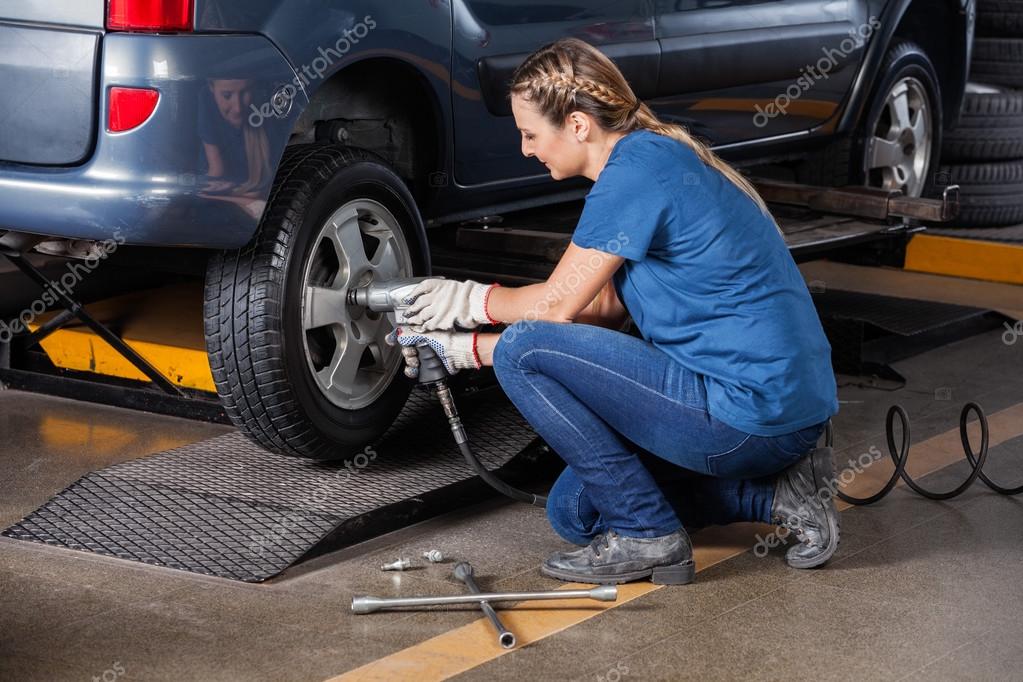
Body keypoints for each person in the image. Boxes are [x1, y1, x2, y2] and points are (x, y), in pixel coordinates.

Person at [388, 37, 840, 585]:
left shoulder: (637, 172)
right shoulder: (654, 157)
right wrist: (464, 343)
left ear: (578, 125)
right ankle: (774, 496)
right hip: (777, 415)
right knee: (577, 513)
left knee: (525, 350)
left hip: (744, 413)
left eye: (530, 135)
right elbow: (599, 309)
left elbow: (554, 310)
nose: (527, 149)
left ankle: (649, 538)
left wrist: (463, 311)